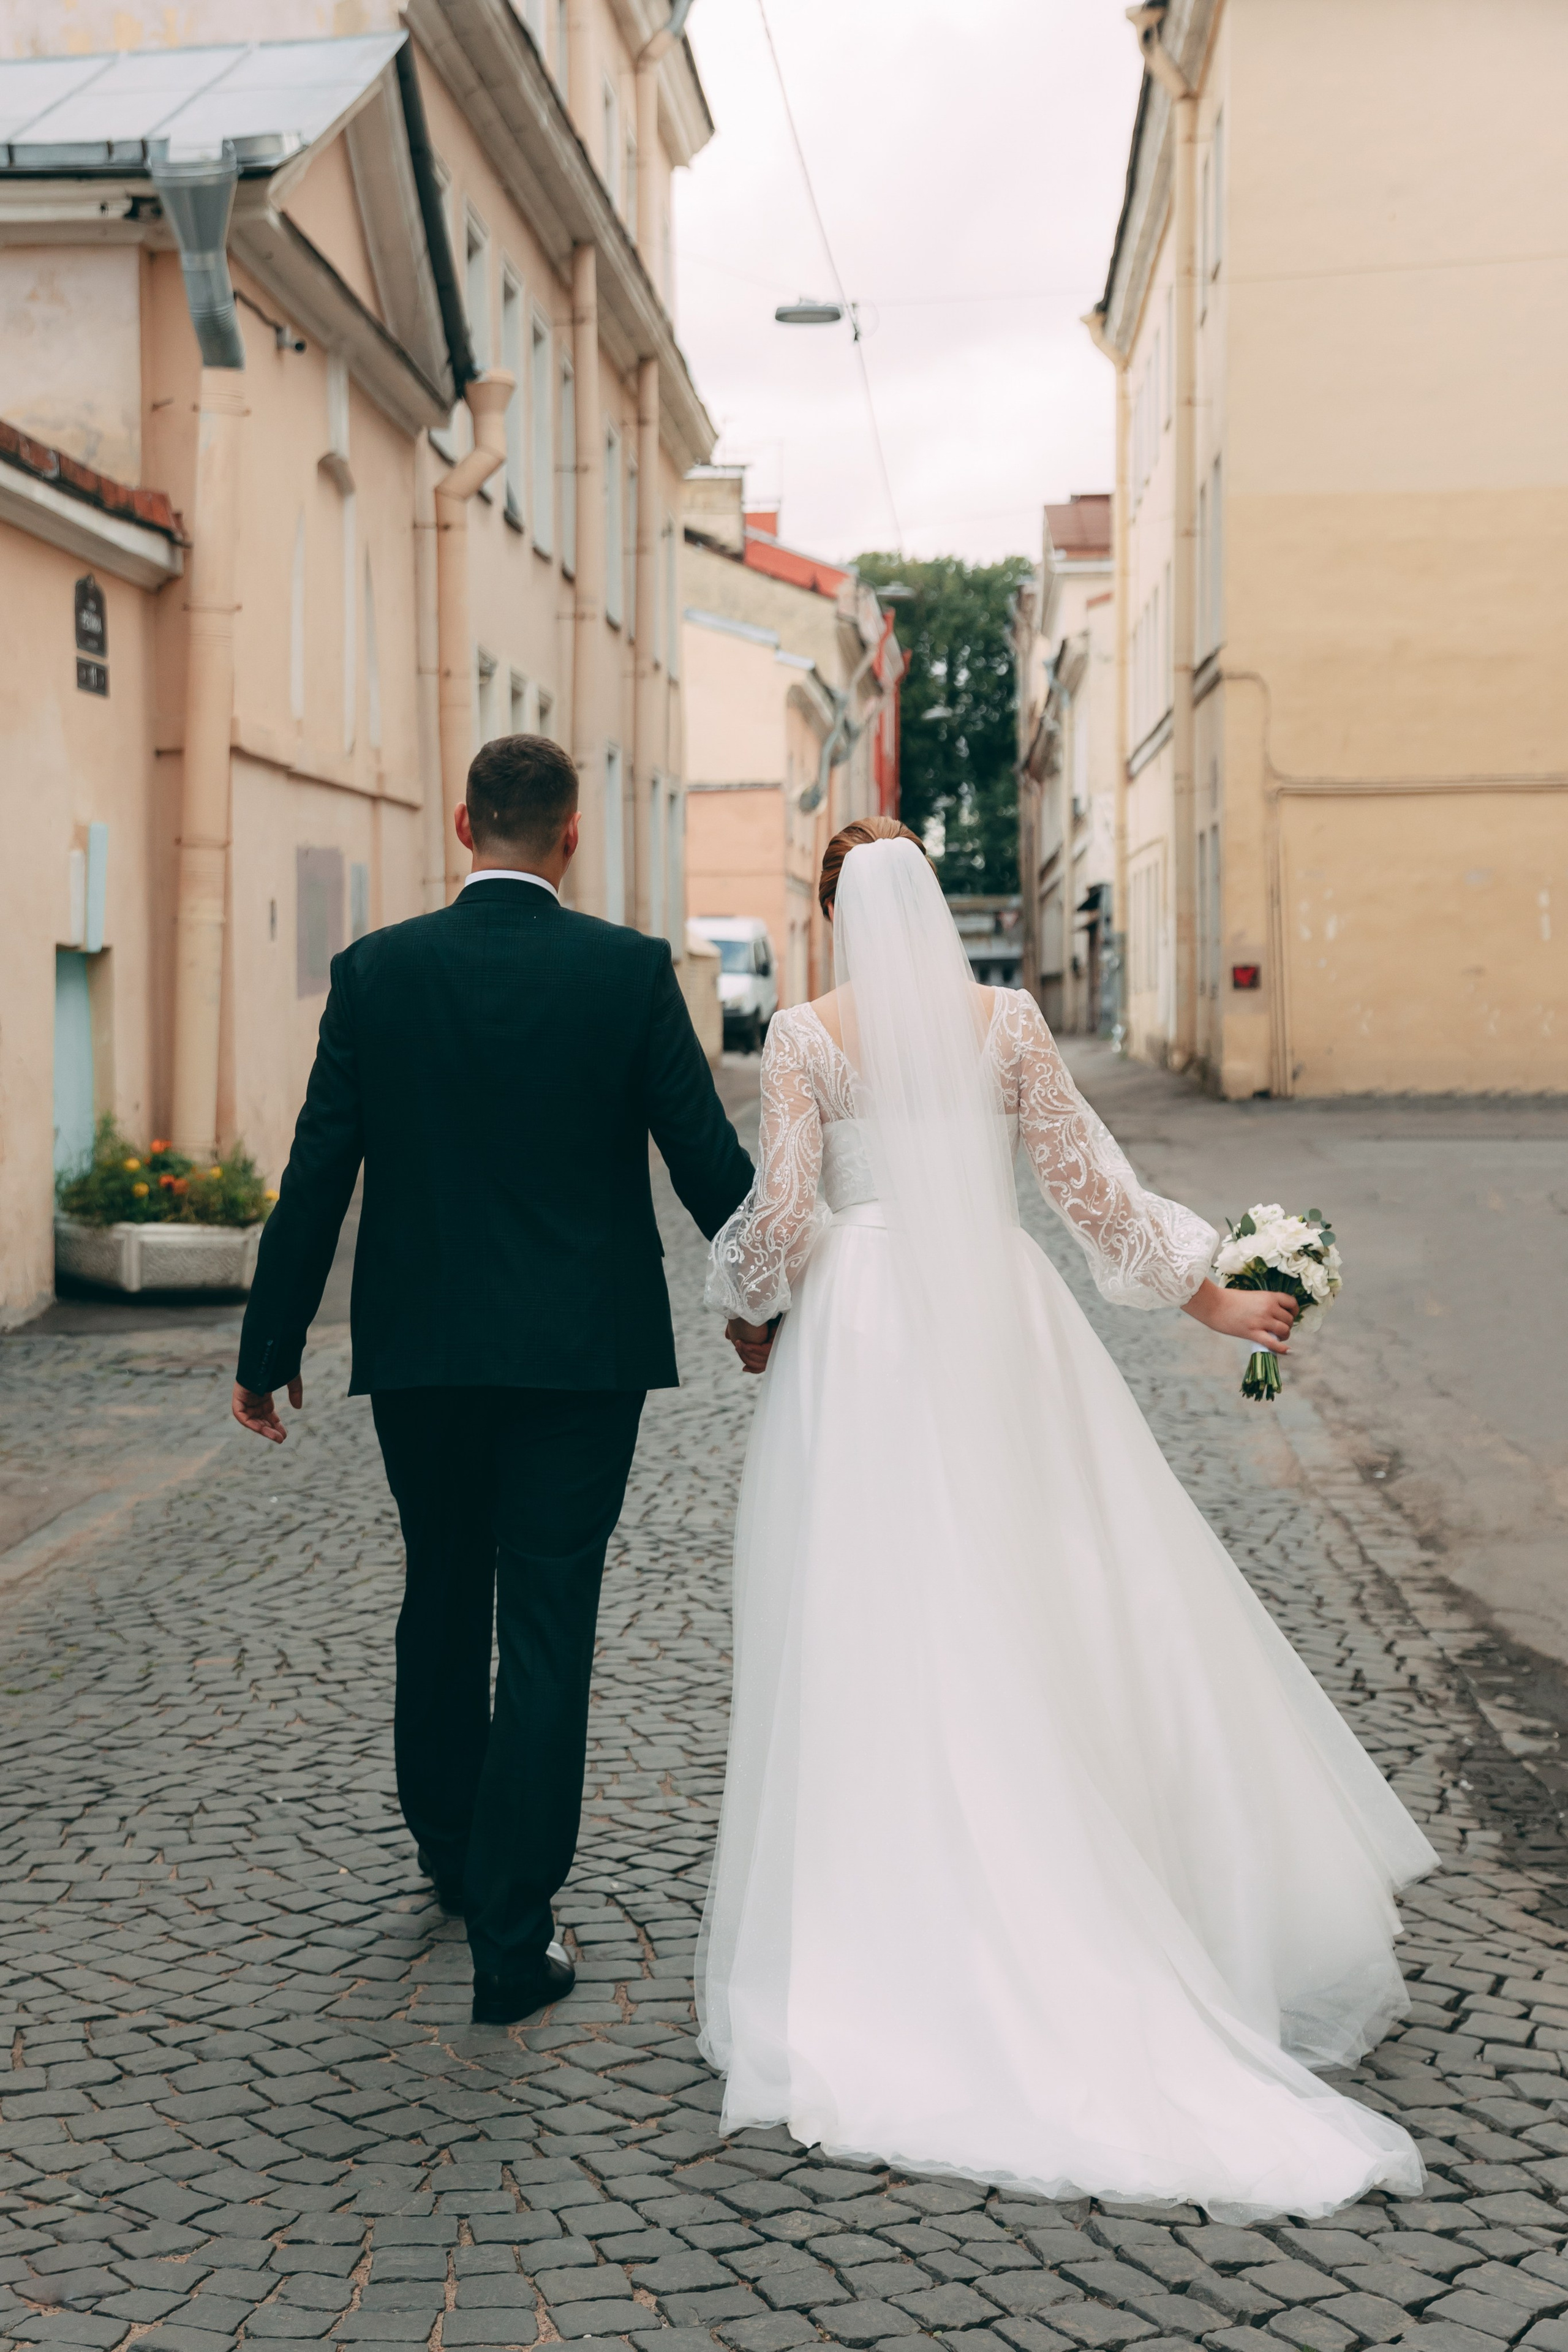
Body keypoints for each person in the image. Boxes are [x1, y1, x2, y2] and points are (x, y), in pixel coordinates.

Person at [698, 816, 1435, 2220]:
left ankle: (899, 1920)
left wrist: (750, 1309)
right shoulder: (1009, 1020)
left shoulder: (803, 1034)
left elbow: (784, 1215)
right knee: (1064, 1584)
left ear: (831, 910)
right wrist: (1215, 1293)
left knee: (875, 1612)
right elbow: (1084, 1181)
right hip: (999, 1310)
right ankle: (1130, 1890)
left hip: (866, 1336)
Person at [231, 735, 754, 2026]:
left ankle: (455, 1856)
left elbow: (315, 1177)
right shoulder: (627, 974)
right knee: (548, 1623)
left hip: (422, 1350)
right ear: (569, 836)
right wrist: (776, 1301)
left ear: (464, 825)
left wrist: (269, 1345)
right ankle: (514, 1942)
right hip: (582, 1359)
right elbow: (708, 1168)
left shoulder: (376, 973)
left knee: (443, 1588)